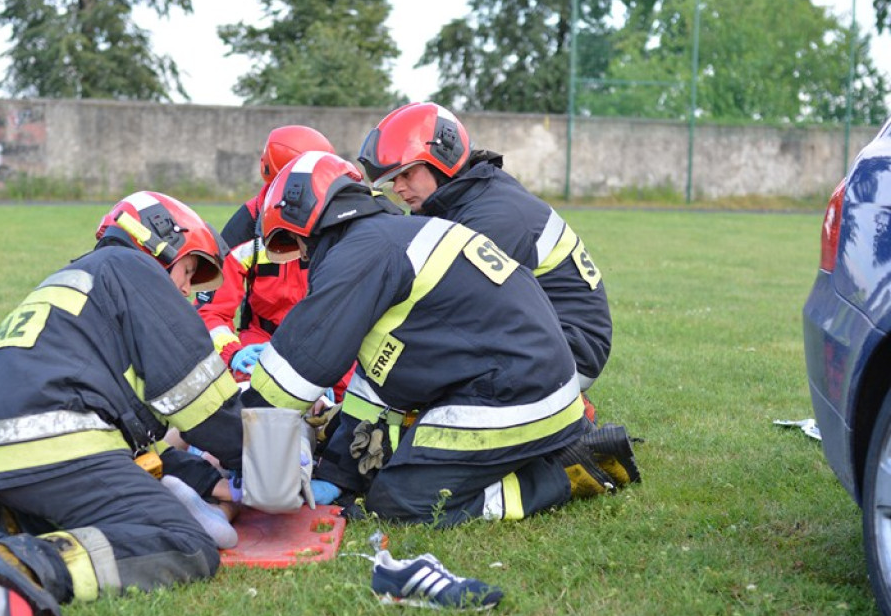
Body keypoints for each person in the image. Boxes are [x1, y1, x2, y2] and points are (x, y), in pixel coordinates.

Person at [239, 151, 637, 526]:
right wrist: (340, 473)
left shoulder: (362, 253)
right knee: (380, 473)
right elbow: (373, 383)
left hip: (518, 391)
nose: (302, 257)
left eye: (295, 242)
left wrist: (239, 440)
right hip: (525, 381)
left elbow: (296, 370)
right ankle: (547, 450)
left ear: (308, 220)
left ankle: (562, 473)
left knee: (399, 499)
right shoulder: (387, 237)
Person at [0, 191, 245, 616]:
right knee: (184, 541)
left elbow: (134, 447)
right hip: (61, 442)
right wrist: (253, 455)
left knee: (114, 514)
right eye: (187, 271)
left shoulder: (82, 280)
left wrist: (208, 479)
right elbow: (200, 401)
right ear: (162, 241)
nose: (185, 290)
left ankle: (7, 523)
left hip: (2, 454)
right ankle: (27, 563)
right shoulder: (137, 271)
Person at [358, 102, 613, 418]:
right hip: (550, 339)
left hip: (570, 352)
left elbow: (442, 309)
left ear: (442, 160)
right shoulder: (469, 198)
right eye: (392, 179)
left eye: (407, 174)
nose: (397, 188)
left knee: (422, 340)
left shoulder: (491, 217)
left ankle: (564, 422)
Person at [199, 125, 346, 391]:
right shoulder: (245, 227)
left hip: (328, 342)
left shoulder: (340, 223)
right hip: (260, 344)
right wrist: (234, 354)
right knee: (250, 396)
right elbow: (211, 311)